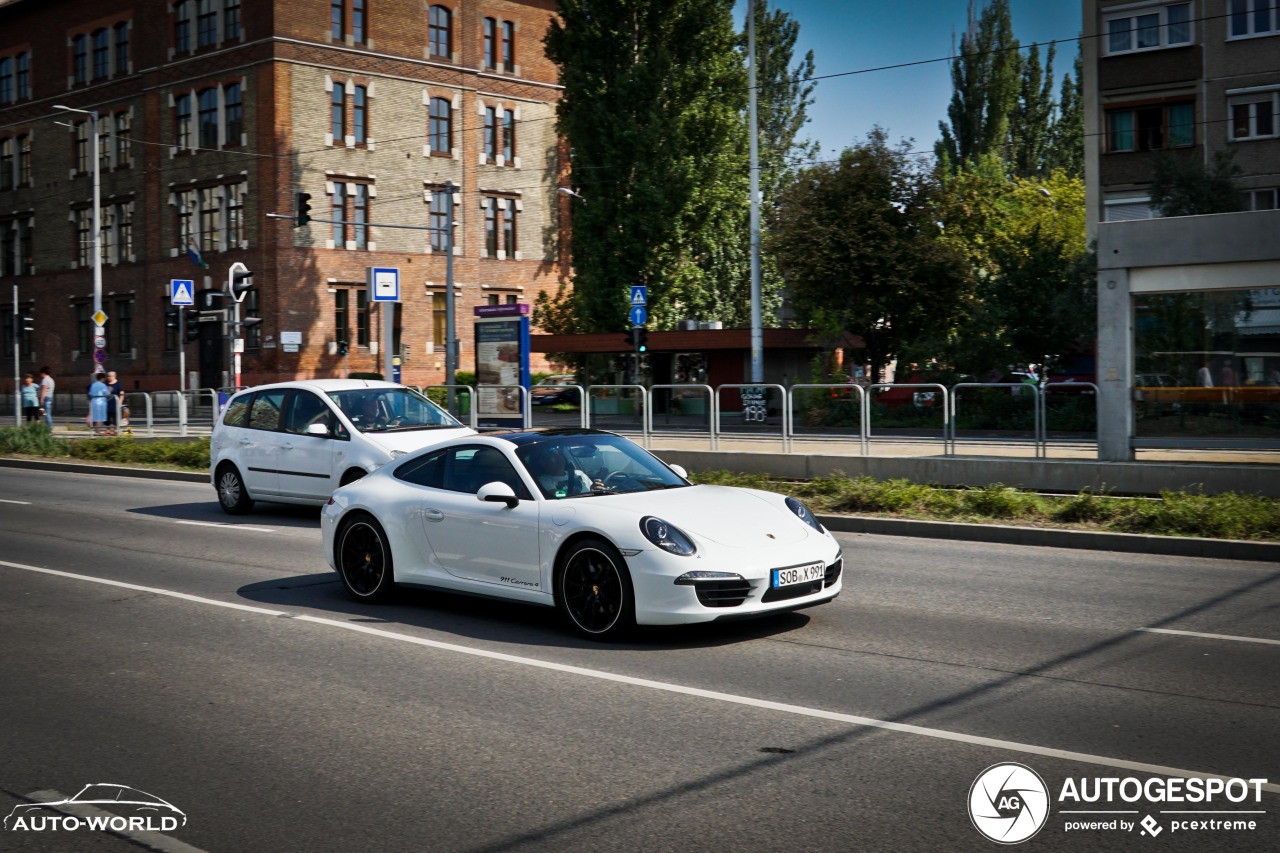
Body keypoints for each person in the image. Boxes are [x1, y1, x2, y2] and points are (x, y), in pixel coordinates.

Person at [527, 444, 591, 498]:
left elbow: (592, 491)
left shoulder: (579, 473)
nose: (559, 458)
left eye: (560, 454)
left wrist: (595, 489)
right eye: (553, 455)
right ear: (542, 462)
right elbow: (557, 495)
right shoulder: (542, 481)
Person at [104, 370, 125, 435]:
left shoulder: (118, 384)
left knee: (115, 416)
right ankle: (108, 430)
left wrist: (120, 403)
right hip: (107, 403)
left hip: (115, 403)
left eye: (110, 376)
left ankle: (115, 430)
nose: (109, 377)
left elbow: (122, 393)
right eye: (108, 376)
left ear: (114, 376)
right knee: (107, 416)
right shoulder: (105, 383)